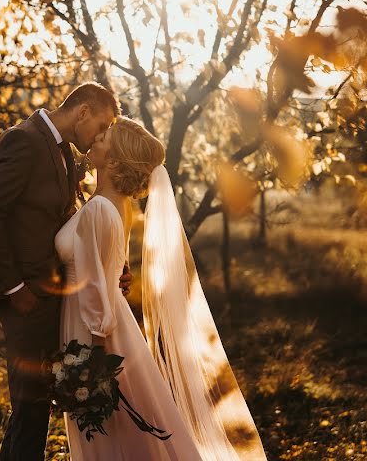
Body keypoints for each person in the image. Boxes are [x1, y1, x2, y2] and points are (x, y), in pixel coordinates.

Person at [56, 117, 267, 460]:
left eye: (104, 136)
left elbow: (94, 289)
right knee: (125, 437)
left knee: (113, 438)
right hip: (102, 327)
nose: (95, 138)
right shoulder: (109, 207)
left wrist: (91, 367)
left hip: (94, 335)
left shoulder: (99, 209)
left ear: (112, 161)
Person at [0, 82, 130, 461]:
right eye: (101, 125)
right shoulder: (22, 141)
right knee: (31, 405)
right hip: (25, 297)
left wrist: (114, 265)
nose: (100, 137)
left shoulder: (64, 152)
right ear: (83, 112)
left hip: (50, 296)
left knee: (34, 406)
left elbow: (68, 219)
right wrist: (15, 289)